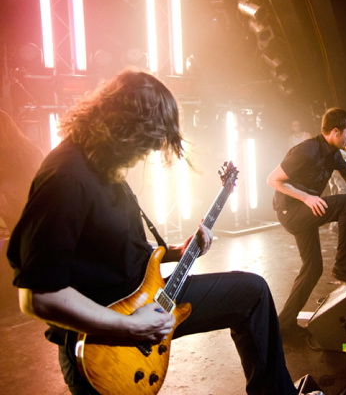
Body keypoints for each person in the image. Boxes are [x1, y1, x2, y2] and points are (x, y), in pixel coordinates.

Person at [7, 69, 310, 395]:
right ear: (124, 127)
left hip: (147, 298)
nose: (148, 152)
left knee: (253, 293)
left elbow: (113, 243)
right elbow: (38, 296)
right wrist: (130, 326)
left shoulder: (103, 162)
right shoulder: (66, 177)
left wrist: (176, 251)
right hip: (103, 336)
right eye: (146, 142)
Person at [267, 107, 346, 337]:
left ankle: (284, 324)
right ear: (335, 131)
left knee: (313, 268)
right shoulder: (307, 149)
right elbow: (272, 179)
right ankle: (345, 267)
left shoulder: (333, 154)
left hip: (306, 210)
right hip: (291, 210)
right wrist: (306, 197)